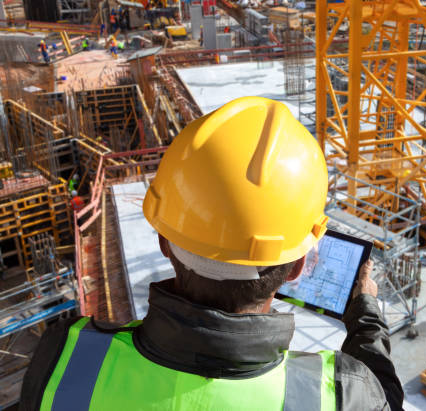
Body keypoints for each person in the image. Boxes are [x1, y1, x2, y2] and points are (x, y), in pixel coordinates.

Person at [19, 97, 404, 410]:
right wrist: (365, 315)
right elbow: (379, 399)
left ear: (164, 242)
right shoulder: (340, 397)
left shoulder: (64, 361)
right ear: (297, 266)